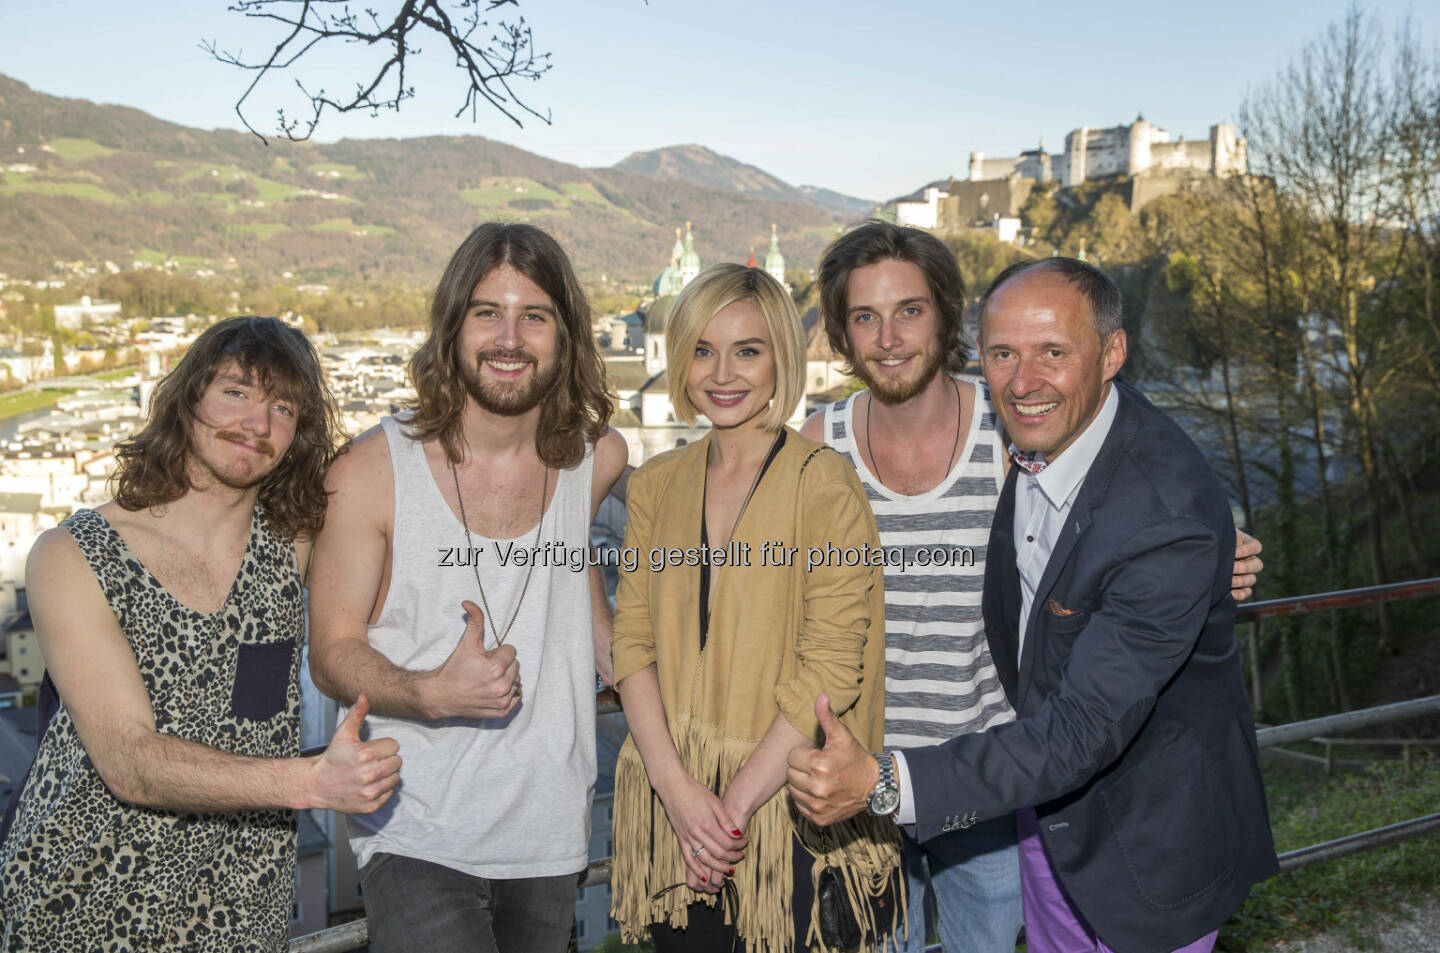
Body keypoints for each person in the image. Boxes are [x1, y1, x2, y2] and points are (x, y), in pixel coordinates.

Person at [798, 221, 1264, 953]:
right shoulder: (820, 446)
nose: (888, 337)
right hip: (877, 779)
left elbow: (1138, 522)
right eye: (865, 315)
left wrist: (1199, 549)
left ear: (947, 319)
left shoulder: (1010, 424)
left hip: (1006, 782)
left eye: (911, 310)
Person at [0, 316, 402, 953]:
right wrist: (312, 782)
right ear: (186, 399)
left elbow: (393, 473)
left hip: (242, 905)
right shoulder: (73, 555)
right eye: (236, 391)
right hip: (84, 901)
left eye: (283, 407)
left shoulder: (289, 548)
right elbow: (129, 760)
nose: (257, 424)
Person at [307, 222, 628, 953]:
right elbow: (330, 650)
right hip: (417, 827)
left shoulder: (597, 457)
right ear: (452, 329)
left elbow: (571, 566)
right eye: (487, 312)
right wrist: (427, 691)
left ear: (567, 334)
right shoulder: (369, 471)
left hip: (550, 828)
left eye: (534, 315)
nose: (508, 338)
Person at [608, 263, 899, 953]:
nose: (722, 372)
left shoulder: (823, 483)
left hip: (788, 824)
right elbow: (633, 642)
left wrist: (728, 814)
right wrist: (679, 793)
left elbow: (832, 665)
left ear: (781, 359)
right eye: (703, 349)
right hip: (675, 822)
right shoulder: (655, 484)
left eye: (748, 349)